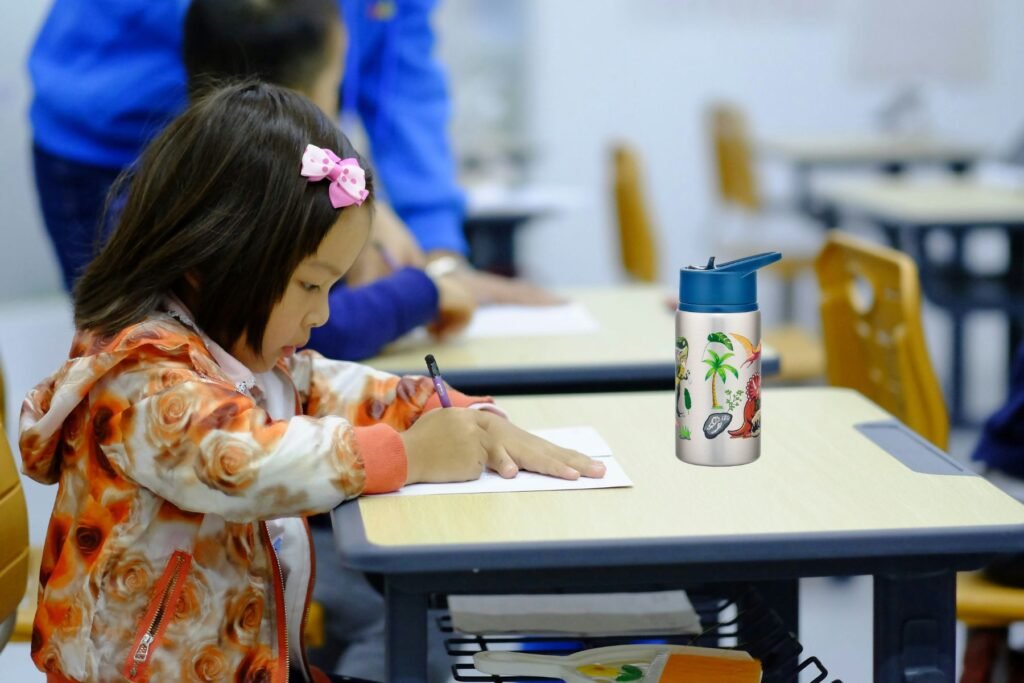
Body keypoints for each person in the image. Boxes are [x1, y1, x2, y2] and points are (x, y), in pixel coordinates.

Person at [18, 82, 605, 683]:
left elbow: (327, 386)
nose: (322, 314)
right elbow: (241, 461)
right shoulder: (140, 380)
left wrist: (452, 411)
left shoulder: (238, 354)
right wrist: (406, 454)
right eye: (309, 286)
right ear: (210, 259)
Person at [29, 0, 556, 305]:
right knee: (167, 365)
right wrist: (422, 290)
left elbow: (400, 73)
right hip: (125, 145)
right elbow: (262, 49)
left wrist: (438, 252)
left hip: (269, 136)